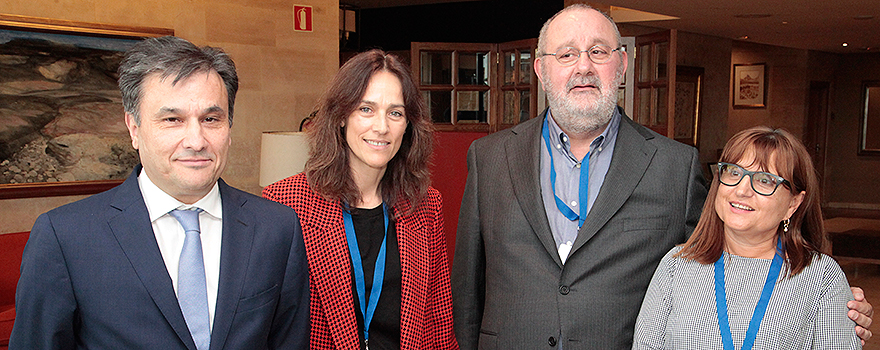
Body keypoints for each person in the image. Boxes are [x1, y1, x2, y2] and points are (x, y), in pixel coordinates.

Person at [450, 4, 873, 349]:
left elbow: (731, 239)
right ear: (540, 69)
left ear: (622, 65)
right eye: (566, 54)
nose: (583, 67)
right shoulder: (489, 157)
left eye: (599, 52)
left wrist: (829, 300)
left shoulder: (674, 165)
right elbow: (468, 283)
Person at [10, 36, 309, 349]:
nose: (196, 140)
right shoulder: (66, 237)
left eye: (210, 119)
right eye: (172, 119)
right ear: (134, 128)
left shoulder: (276, 228)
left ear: (229, 127)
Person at [262, 49, 458, 350]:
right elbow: (270, 328)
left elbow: (439, 324)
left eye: (395, 112)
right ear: (341, 116)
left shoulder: (426, 204)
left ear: (408, 126)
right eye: (366, 109)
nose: (381, 127)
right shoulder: (286, 203)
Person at [633, 126, 861, 349]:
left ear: (793, 203)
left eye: (765, 180)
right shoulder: (676, 265)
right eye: (734, 172)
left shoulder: (821, 277)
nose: (742, 190)